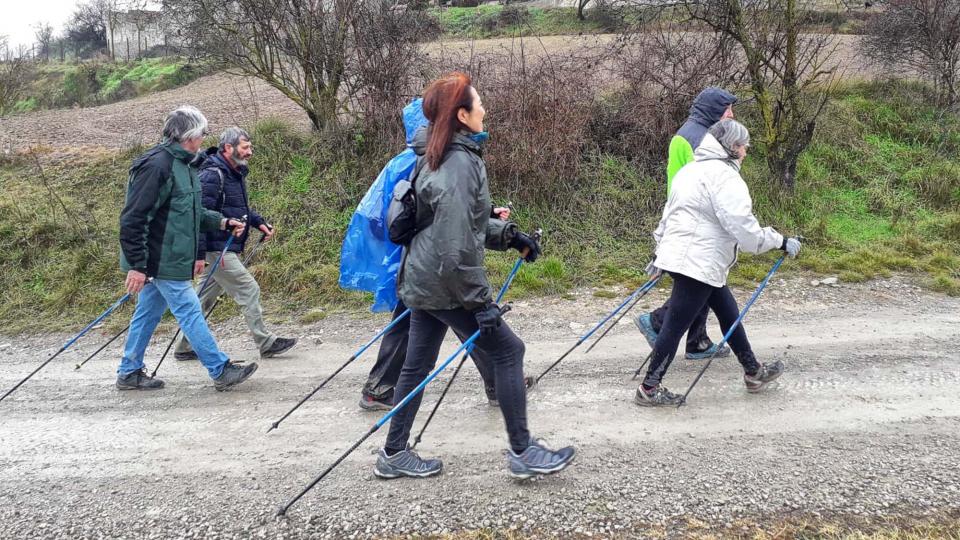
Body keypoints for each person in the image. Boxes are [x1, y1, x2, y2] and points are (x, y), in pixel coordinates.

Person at [374, 72, 575, 480]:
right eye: (478, 104)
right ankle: (523, 452)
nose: (485, 109)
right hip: (445, 281)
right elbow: (454, 244)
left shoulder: (441, 152)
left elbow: (462, 221)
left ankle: (393, 453)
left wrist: (510, 235)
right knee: (507, 351)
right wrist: (481, 303)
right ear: (462, 115)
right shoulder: (458, 162)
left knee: (416, 366)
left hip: (425, 278)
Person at [635, 119, 802, 406]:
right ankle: (649, 388)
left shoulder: (690, 171)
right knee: (675, 325)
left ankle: (753, 371)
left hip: (685, 258)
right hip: (699, 261)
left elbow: (668, 215)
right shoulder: (725, 177)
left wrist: (659, 252)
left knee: (728, 311)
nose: (746, 152)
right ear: (732, 147)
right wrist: (780, 241)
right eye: (744, 146)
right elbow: (744, 229)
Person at [116, 106, 258, 391]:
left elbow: (190, 212)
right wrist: (137, 266)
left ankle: (129, 371)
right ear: (189, 136)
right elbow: (133, 218)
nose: (204, 139)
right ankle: (219, 369)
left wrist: (222, 221)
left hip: (171, 257)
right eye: (202, 133)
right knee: (191, 310)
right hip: (159, 258)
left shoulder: (185, 166)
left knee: (148, 312)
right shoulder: (157, 166)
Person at [359, 205, 515, 411]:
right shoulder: (431, 172)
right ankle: (501, 385)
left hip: (421, 257)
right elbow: (446, 209)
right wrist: (501, 230)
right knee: (467, 313)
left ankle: (379, 390)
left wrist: (486, 212)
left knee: (433, 317)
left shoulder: (428, 173)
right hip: (433, 260)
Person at [173, 127, 297, 361]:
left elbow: (237, 208)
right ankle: (265, 342)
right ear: (228, 148)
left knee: (203, 299)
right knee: (248, 289)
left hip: (222, 246)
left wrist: (258, 222)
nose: (250, 151)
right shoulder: (212, 175)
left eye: (250, 147)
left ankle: (184, 346)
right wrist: (199, 254)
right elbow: (197, 216)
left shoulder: (233, 172)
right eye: (245, 147)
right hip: (217, 248)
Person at [634, 87, 739, 360]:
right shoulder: (701, 139)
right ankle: (658, 322)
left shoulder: (692, 133)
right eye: (727, 109)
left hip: (685, 217)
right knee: (700, 281)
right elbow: (704, 185)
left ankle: (697, 341)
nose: (731, 115)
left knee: (702, 282)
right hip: (694, 221)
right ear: (714, 111)